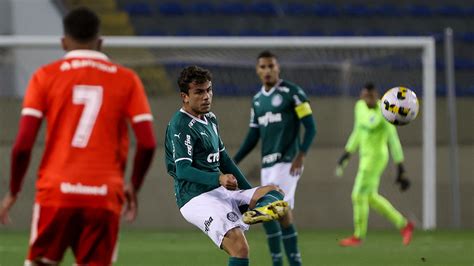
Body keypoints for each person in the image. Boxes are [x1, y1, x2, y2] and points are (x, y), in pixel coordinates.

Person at [0, 7, 156, 265]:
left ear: (63, 42)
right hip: (104, 194)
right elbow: (148, 143)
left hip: (56, 193)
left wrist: (14, 191)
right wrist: (133, 186)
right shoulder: (127, 79)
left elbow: (22, 145)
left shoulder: (45, 76)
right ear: (101, 42)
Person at [165, 65, 290, 266]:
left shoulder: (210, 119)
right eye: (199, 92)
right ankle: (252, 212)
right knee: (240, 248)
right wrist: (219, 178)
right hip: (195, 197)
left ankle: (254, 212)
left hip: (219, 190)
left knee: (274, 190)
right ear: (185, 96)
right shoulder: (180, 125)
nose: (206, 96)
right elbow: (183, 170)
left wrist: (249, 192)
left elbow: (225, 160)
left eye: (209, 90)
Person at [234, 51, 316, 266]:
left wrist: (301, 154)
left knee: (274, 209)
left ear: (278, 68)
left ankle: (288, 263)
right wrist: (232, 162)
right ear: (257, 70)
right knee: (278, 215)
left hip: (289, 162)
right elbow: (253, 136)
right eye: (263, 67)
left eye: (271, 66)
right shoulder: (258, 100)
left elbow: (311, 127)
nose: (267, 70)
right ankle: (281, 262)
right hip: (268, 165)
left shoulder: (293, 92)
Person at [335, 82, 414, 247]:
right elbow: (357, 131)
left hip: (377, 158)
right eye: (365, 96)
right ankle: (404, 225)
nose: (367, 99)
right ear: (361, 96)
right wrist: (347, 153)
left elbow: (393, 140)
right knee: (370, 197)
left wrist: (401, 168)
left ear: (376, 96)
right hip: (364, 158)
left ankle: (358, 235)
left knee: (357, 195)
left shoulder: (385, 112)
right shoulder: (359, 107)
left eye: (370, 96)